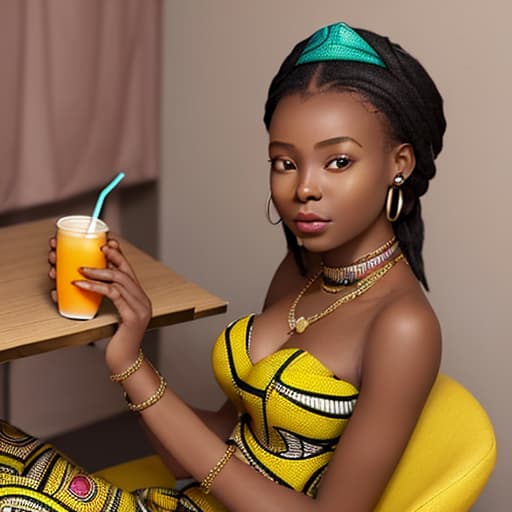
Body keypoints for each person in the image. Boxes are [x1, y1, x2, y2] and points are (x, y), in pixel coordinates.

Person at [0, 21, 446, 511]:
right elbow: (217, 444)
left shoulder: (404, 326)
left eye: (338, 161)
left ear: (398, 163)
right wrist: (126, 341)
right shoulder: (300, 270)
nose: (304, 190)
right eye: (285, 162)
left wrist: (132, 368)